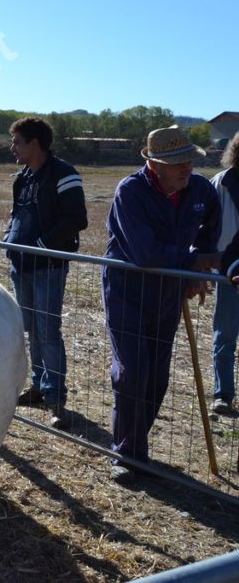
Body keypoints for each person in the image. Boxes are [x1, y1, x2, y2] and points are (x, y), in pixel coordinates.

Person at [103, 125, 221, 485]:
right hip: (128, 290)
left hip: (167, 292)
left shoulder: (199, 190)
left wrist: (199, 265)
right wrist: (193, 264)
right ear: (154, 165)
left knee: (157, 375)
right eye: (176, 162)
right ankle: (127, 453)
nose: (186, 168)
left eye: (188, 160)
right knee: (132, 371)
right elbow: (145, 253)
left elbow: (210, 232)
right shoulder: (131, 192)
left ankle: (136, 443)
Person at [4, 117, 88, 430]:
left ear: (34, 144)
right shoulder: (22, 178)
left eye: (17, 142)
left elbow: (76, 219)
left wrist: (41, 245)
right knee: (31, 330)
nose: (13, 148)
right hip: (21, 265)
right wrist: (8, 237)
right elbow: (16, 214)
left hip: (47, 267)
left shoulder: (64, 174)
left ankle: (56, 398)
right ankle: (38, 386)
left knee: (48, 331)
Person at [208, 133, 239, 415]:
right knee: (225, 336)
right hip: (229, 275)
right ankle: (223, 394)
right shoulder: (220, 184)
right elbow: (206, 228)